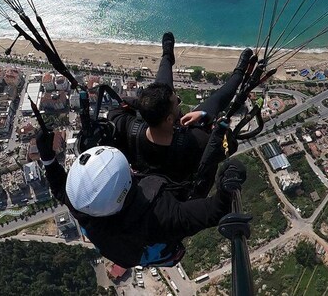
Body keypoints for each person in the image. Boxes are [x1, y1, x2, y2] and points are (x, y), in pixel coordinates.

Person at [37, 130, 247, 268]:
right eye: (128, 170)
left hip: (121, 249)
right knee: (193, 188)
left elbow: (59, 187)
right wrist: (229, 177)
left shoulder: (84, 205)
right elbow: (216, 210)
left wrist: (47, 157)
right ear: (126, 188)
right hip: (149, 246)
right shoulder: (160, 216)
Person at [108, 32, 252, 194]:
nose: (178, 99)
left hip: (157, 138)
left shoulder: (128, 127)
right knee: (217, 100)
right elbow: (229, 146)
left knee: (161, 87)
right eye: (176, 101)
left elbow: (116, 108)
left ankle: (167, 55)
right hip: (182, 185)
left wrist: (145, 105)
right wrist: (206, 117)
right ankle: (239, 72)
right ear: (170, 119)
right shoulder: (197, 140)